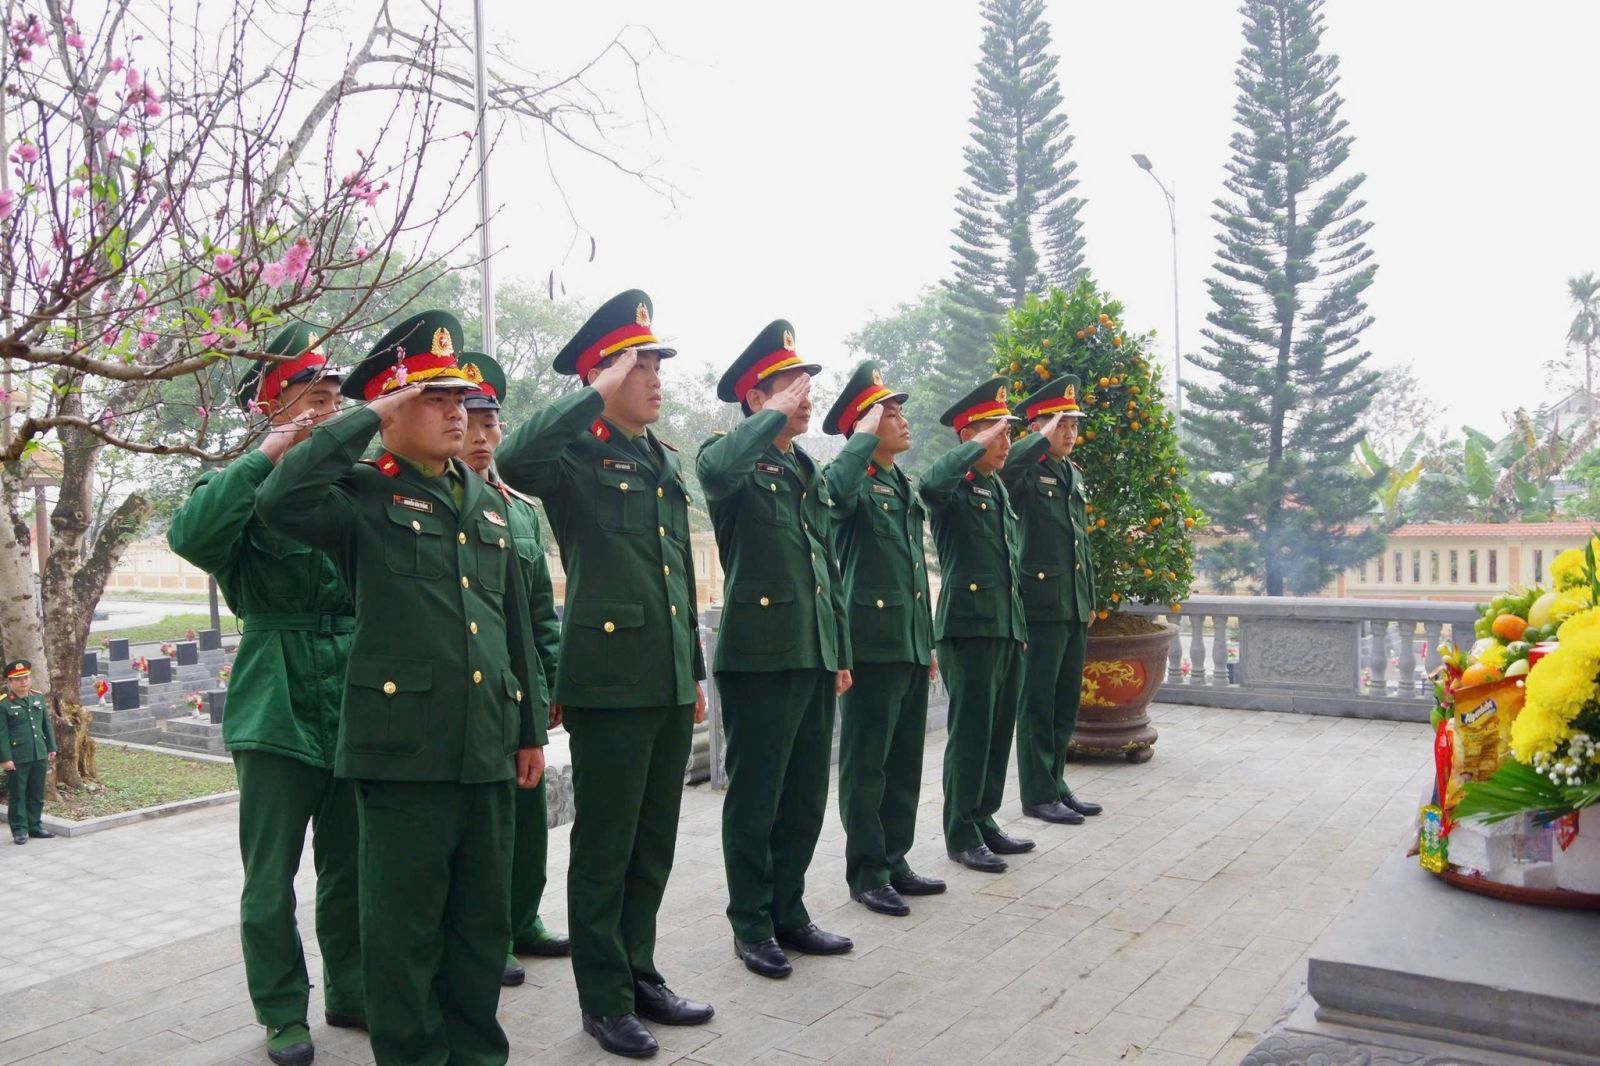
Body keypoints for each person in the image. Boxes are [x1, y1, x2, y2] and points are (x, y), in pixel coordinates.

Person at [256, 310, 546, 1066]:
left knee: (480, 927)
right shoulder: (360, 493)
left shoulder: (487, 500)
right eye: (433, 398)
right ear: (391, 407)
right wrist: (364, 417)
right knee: (404, 934)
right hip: (402, 753)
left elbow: (512, 620)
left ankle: (477, 1056)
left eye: (459, 399)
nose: (456, 413)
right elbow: (279, 501)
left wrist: (527, 732)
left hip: (487, 746)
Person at [497, 290, 713, 1059]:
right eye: (639, 365)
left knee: (652, 842)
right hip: (609, 680)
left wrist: (693, 673)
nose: (655, 379)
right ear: (604, 373)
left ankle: (640, 973)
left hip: (664, 677)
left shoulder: (662, 457)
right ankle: (605, 999)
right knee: (606, 846)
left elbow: (679, 573)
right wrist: (593, 390)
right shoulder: (574, 454)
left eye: (656, 364)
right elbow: (513, 460)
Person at [166, 321, 361, 1066]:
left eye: (334, 397)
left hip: (355, 687)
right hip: (276, 695)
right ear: (271, 407)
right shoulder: (238, 486)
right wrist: (268, 454)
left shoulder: (354, 482)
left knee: (351, 862)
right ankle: (282, 1011)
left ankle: (352, 988)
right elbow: (191, 536)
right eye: (312, 397)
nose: (327, 409)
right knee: (270, 876)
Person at [698, 319, 853, 979]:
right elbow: (714, 471)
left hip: (813, 652)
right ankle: (751, 923)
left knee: (804, 795)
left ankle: (790, 911)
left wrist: (839, 649)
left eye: (806, 385)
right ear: (755, 398)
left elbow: (824, 565)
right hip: (760, 655)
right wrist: (768, 419)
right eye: (790, 386)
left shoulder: (803, 467)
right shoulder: (730, 458)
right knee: (757, 796)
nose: (804, 396)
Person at [456, 351, 571, 988]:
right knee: (486, 824)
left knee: (529, 813)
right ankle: (487, 936)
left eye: (490, 423)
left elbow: (540, 610)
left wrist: (548, 683)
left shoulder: (521, 510)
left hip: (519, 683)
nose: (480, 436)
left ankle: (523, 919)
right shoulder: (444, 503)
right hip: (469, 683)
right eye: (469, 422)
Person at [821, 361, 945, 917]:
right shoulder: (852, 481)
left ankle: (895, 859)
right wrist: (861, 439)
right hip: (870, 644)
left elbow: (913, 574)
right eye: (889, 413)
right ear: (865, 425)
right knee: (866, 765)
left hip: (909, 642)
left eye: (898, 411)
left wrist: (927, 643)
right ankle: (867, 872)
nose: (903, 420)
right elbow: (832, 495)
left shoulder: (900, 484)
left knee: (903, 763)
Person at [919, 377, 1033, 874]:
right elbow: (929, 484)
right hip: (968, 628)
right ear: (969, 436)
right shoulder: (955, 489)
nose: (1006, 442)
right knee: (970, 734)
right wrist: (974, 447)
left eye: (1008, 433)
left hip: (1003, 627)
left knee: (997, 731)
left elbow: (1008, 566)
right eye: (996, 432)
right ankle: (961, 832)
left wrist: (1018, 627)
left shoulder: (994, 487)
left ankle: (984, 818)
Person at [1002, 376, 1103, 826]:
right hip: (1041, 605)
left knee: (1065, 703)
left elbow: (1081, 545)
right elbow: (1004, 471)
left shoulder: (1071, 472)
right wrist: (1037, 439)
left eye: (1073, 424)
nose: (1069, 432)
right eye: (1060, 424)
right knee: (1038, 704)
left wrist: (1089, 599)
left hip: (1073, 605)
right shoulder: (1026, 470)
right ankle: (1038, 793)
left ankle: (1057, 783)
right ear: (1037, 427)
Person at [2, 659, 55, 847]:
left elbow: (46, 725)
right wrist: (5, 758)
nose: (23, 681)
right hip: (17, 757)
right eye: (18, 679)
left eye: (26, 677)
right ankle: (19, 830)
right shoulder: (4, 704)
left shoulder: (37, 698)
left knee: (36, 793)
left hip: (38, 753)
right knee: (18, 794)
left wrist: (51, 747)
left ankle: (35, 826)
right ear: (10, 682)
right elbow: (2, 733)